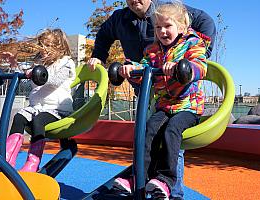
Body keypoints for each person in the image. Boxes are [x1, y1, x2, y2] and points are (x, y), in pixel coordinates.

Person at [88, 0, 215, 199]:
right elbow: (143, 67)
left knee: (171, 132)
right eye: (158, 28)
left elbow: (200, 64)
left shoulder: (191, 41)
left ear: (181, 26)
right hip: (160, 101)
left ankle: (168, 185)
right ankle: (138, 177)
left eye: (167, 26)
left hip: (187, 106)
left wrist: (186, 67)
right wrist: (129, 68)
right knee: (147, 131)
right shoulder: (152, 48)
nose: (162, 31)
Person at [0, 28, 76, 172]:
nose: (44, 50)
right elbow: (24, 74)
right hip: (37, 107)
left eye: (48, 46)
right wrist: (14, 64)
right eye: (42, 45)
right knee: (19, 117)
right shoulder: (39, 64)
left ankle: (33, 162)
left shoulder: (66, 63)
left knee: (39, 120)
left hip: (58, 109)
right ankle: (6, 158)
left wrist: (37, 73)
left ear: (59, 47)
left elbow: (55, 81)